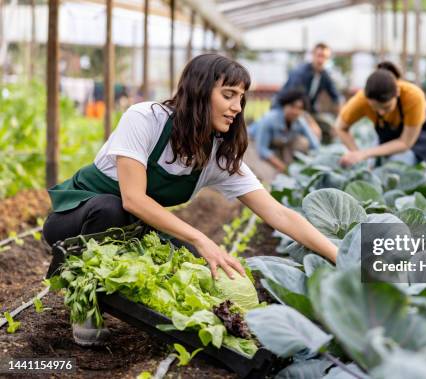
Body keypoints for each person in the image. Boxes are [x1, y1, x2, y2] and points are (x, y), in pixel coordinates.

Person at [42, 54, 338, 346]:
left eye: (241, 97)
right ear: (199, 91)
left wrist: (340, 256)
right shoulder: (146, 118)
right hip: (75, 220)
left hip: (132, 230)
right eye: (228, 95)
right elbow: (133, 199)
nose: (237, 107)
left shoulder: (216, 154)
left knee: (196, 267)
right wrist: (201, 238)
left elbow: (279, 214)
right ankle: (86, 306)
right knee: (112, 208)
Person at [335, 61, 426, 167]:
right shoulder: (361, 100)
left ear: (397, 93)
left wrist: (365, 153)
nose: (381, 112)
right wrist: (356, 153)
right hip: (395, 131)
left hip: (425, 129)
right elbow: (340, 127)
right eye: (375, 108)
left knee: (398, 165)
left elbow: (405, 143)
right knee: (373, 165)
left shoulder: (413, 97)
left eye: (386, 107)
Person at [275, 42, 342, 142]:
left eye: (325, 57)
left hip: (308, 111)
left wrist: (340, 121)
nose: (321, 60)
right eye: (319, 56)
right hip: (286, 109)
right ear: (313, 55)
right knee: (313, 132)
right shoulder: (300, 73)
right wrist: (311, 124)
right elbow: (296, 103)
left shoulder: (324, 75)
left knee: (332, 128)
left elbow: (337, 97)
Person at [249, 88, 320, 175]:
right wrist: (283, 168)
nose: (295, 111)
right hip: (252, 143)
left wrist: (315, 163)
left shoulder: (299, 122)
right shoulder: (270, 119)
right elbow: (262, 149)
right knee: (266, 174)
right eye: (292, 106)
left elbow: (314, 144)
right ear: (284, 105)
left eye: (300, 108)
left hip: (275, 144)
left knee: (303, 142)